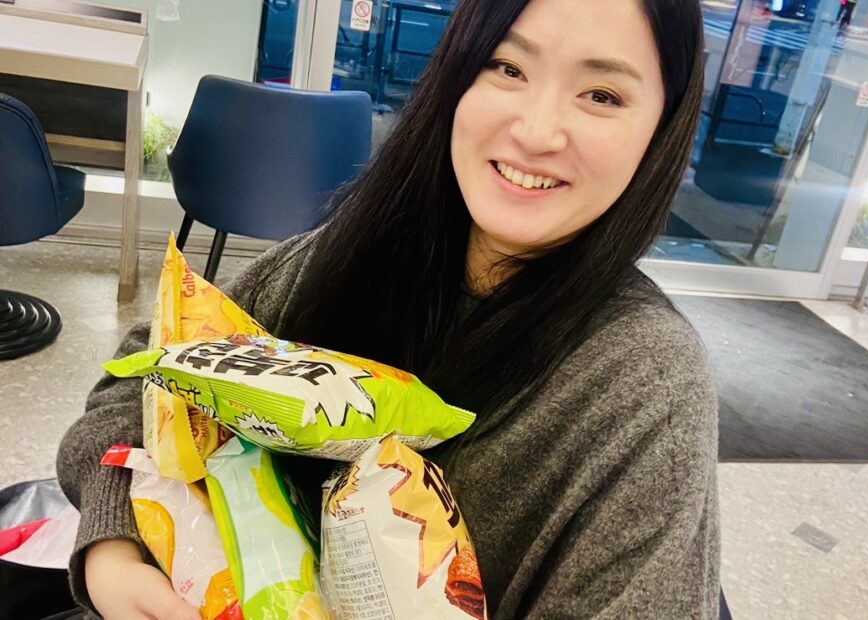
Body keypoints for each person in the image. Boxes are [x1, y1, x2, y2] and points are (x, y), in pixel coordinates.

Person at [56, 0, 719, 617]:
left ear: (661, 131)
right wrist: (113, 548)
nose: (536, 131)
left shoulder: (646, 386)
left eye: (602, 95)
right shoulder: (355, 248)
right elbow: (144, 376)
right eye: (508, 67)